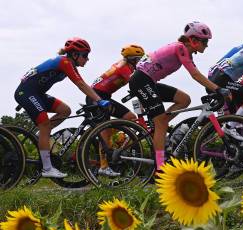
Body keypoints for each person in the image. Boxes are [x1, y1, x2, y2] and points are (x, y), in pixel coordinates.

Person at [128, 21, 224, 170]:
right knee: (161, 124)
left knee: (184, 99)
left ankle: (159, 122)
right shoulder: (180, 48)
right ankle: (160, 167)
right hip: (141, 80)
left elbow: (196, 74)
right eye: (204, 41)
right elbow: (195, 75)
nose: (206, 45)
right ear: (193, 40)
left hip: (147, 81)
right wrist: (217, 89)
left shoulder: (184, 50)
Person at [14, 38, 110, 178]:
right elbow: (81, 84)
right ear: (74, 54)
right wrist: (99, 100)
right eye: (85, 55)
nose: (87, 59)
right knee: (45, 124)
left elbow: (81, 83)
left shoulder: (68, 64)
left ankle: (42, 136)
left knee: (65, 111)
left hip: (37, 93)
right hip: (26, 92)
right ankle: (47, 169)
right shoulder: (64, 62)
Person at [87, 44, 145, 176]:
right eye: (139, 59)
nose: (140, 62)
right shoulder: (125, 68)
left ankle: (109, 136)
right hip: (97, 97)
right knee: (105, 132)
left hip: (102, 96)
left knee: (130, 117)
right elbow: (137, 86)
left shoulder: (124, 65)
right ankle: (103, 166)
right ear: (132, 60)